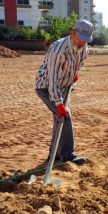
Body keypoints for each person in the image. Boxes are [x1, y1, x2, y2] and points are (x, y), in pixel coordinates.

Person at [35, 19, 94, 164]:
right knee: (64, 117)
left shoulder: (84, 49)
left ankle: (54, 155)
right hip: (46, 87)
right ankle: (67, 156)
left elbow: (77, 65)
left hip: (64, 86)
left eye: (86, 40)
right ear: (72, 33)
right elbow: (52, 80)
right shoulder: (58, 50)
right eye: (80, 39)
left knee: (59, 120)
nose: (82, 43)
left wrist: (74, 75)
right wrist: (59, 104)